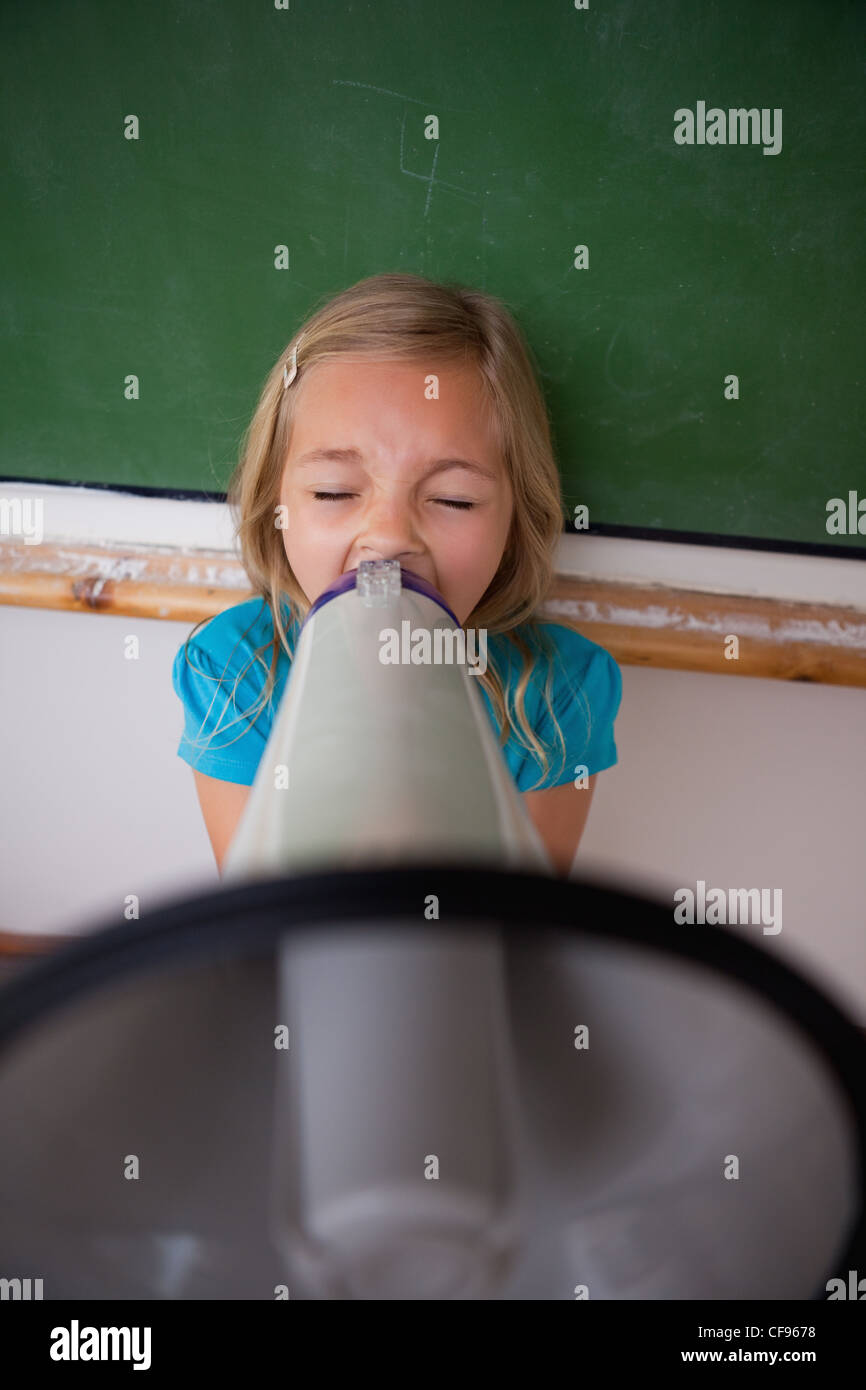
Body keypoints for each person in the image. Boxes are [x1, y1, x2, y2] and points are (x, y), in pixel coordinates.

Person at [172, 272, 622, 875]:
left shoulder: (556, 690)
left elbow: (513, 927)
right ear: (275, 503)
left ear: (518, 518)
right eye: (334, 492)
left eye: (454, 500)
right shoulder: (233, 670)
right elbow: (263, 914)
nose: (387, 536)